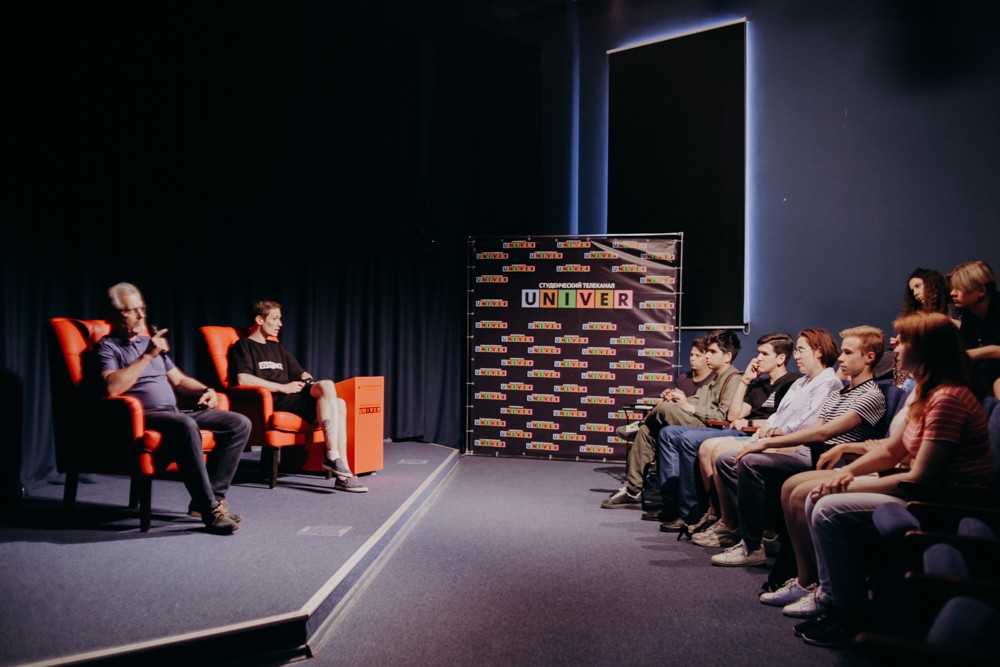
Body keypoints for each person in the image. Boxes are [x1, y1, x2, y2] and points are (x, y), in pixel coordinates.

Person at [795, 311, 993, 647]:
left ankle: (847, 612)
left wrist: (846, 483)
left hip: (943, 502)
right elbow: (892, 450)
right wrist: (847, 472)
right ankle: (834, 600)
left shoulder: (948, 398)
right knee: (821, 495)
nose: (895, 348)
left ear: (928, 349)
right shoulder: (928, 393)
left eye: (904, 342)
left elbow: (922, 477)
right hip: (924, 490)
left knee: (827, 507)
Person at [709, 326, 887, 567]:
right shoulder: (841, 392)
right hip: (814, 452)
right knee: (740, 458)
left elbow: (821, 433)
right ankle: (758, 540)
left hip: (835, 461)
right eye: (842, 352)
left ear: (869, 357)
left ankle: (753, 546)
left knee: (750, 461)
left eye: (848, 353)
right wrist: (766, 442)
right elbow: (815, 431)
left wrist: (768, 442)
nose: (840, 358)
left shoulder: (870, 395)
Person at [94, 282, 251, 535]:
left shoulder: (149, 342)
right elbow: (112, 387)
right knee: (185, 425)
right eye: (131, 310)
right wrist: (147, 356)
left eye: (142, 308)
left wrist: (205, 390)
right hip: (142, 417)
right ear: (112, 315)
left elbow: (179, 380)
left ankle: (212, 498)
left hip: (172, 413)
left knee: (239, 423)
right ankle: (209, 511)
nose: (141, 315)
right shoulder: (107, 347)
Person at [691, 328, 844, 548]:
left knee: (729, 456)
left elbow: (806, 426)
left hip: (800, 447)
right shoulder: (801, 382)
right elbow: (774, 418)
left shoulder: (828, 383)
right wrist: (766, 428)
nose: (796, 356)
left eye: (801, 350)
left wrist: (769, 434)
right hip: (776, 439)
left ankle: (744, 533)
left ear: (818, 351)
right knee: (718, 453)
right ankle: (729, 523)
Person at [763, 389, 914, 611]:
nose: (898, 352)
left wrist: (851, 472)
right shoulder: (922, 394)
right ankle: (807, 581)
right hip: (892, 469)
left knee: (814, 496)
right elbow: (892, 447)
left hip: (913, 486)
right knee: (791, 488)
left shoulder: (941, 398)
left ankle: (831, 595)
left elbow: (915, 466)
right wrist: (848, 463)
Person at [652, 332, 801, 532]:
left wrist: (751, 422)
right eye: (758, 353)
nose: (758, 358)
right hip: (741, 430)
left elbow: (786, 422)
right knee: (668, 433)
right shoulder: (759, 384)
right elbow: (734, 415)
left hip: (757, 433)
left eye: (765, 354)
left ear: (781, 358)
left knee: (689, 439)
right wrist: (746, 381)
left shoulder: (792, 383)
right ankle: (689, 509)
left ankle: (698, 512)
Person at [227, 300, 367, 493]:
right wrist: (282, 387)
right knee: (335, 399)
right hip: (276, 399)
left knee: (336, 398)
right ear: (259, 320)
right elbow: (243, 379)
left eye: (280, 319)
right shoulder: (244, 346)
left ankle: (336, 462)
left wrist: (306, 380)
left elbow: (301, 373)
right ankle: (340, 471)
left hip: (294, 396)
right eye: (275, 318)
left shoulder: (277, 347)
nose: (280, 324)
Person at [601, 330, 743, 510]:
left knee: (664, 409)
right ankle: (633, 490)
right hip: (699, 420)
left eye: (712, 352)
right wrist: (680, 399)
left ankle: (642, 423)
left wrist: (688, 406)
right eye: (707, 351)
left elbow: (723, 416)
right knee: (647, 431)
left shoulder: (734, 378)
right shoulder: (714, 379)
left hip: (712, 427)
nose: (707, 355)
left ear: (728, 356)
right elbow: (697, 401)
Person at [615, 337, 714, 441]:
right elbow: (674, 405)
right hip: (675, 418)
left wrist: (684, 400)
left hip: (696, 422)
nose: (692, 358)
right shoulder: (683, 378)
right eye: (691, 355)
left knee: (662, 410)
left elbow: (705, 410)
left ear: (707, 358)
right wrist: (670, 396)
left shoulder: (713, 381)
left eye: (697, 356)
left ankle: (642, 423)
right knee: (645, 430)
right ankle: (642, 426)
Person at [891, 267, 956, 387]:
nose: (915, 293)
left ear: (931, 284)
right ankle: (902, 390)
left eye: (918, 286)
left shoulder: (950, 308)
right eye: (912, 290)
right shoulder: (918, 313)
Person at [949, 259, 1000, 399]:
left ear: (981, 291)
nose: (952, 293)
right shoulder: (969, 312)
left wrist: (967, 355)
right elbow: (966, 344)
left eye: (959, 288)